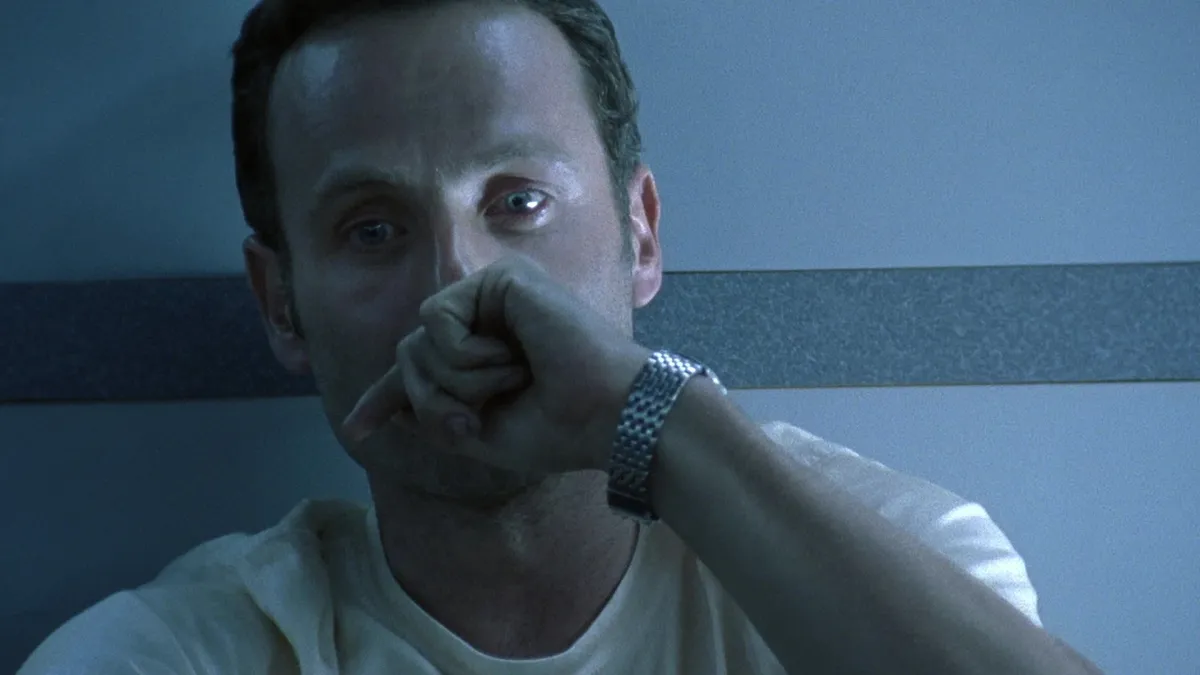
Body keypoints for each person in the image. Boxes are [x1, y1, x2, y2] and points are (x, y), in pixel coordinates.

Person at [19, 1, 1104, 673]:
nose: (459, 284)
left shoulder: (893, 565)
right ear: (280, 304)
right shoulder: (186, 651)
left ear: (641, 234)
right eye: (373, 228)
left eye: (520, 202)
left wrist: (651, 420)